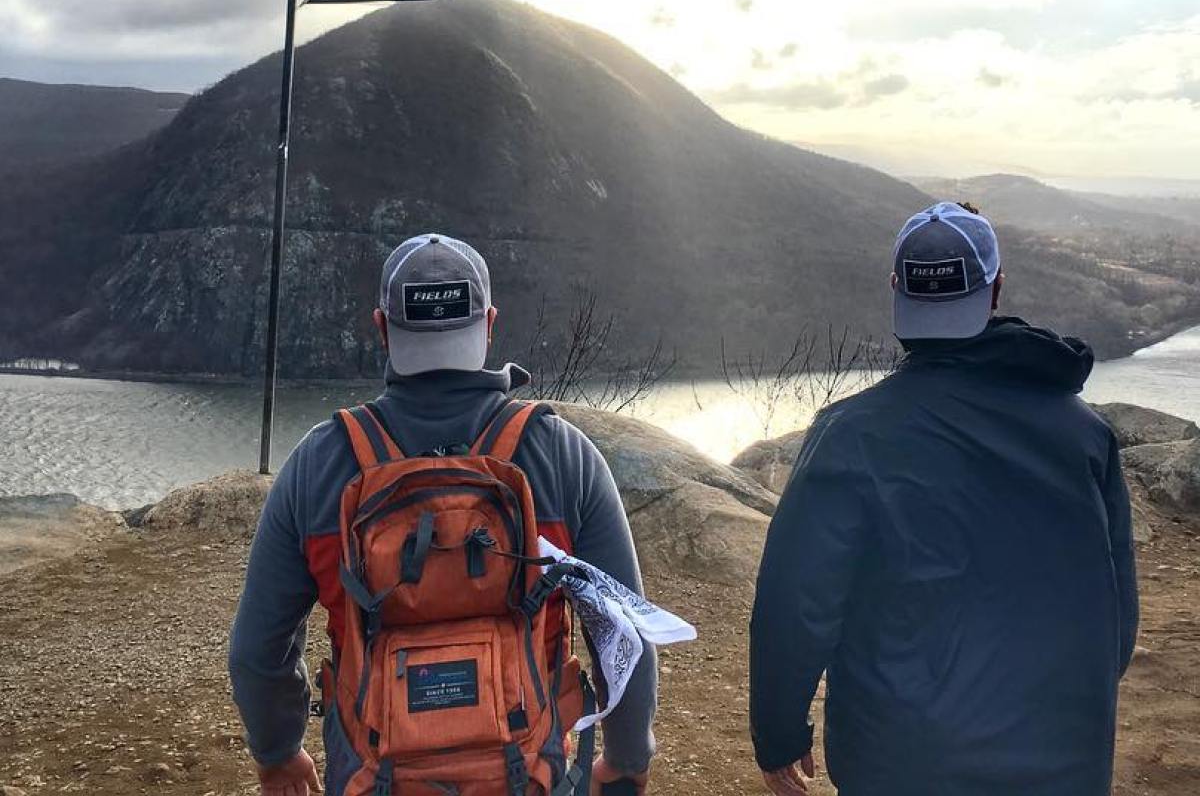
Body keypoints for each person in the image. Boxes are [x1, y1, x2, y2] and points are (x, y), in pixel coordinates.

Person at [229, 233, 657, 796]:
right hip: (528, 775)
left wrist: (279, 751)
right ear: (489, 324)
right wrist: (627, 757)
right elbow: (623, 631)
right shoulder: (563, 455)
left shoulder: (319, 463)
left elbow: (258, 649)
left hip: (372, 775)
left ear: (382, 328)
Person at [749, 201, 1138, 796]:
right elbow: (1119, 618)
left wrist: (778, 732)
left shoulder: (852, 436)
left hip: (904, 760)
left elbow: (796, 602)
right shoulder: (1083, 434)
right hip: (1063, 760)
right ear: (995, 290)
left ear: (897, 293)